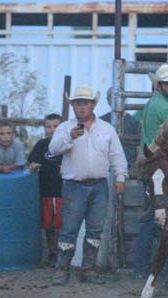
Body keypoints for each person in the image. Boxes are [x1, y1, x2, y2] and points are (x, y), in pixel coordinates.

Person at [49, 84, 128, 285]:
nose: (81, 107)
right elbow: (53, 149)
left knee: (94, 229)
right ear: (73, 106)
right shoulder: (65, 127)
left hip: (99, 185)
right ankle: (62, 269)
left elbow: (117, 155)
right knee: (69, 229)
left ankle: (87, 269)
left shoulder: (106, 128)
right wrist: (70, 137)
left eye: (84, 103)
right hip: (74, 185)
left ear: (92, 105)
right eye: (77, 104)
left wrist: (120, 176)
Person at [134, 64, 168, 280]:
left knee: (150, 218)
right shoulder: (166, 109)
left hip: (150, 167)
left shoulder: (151, 104)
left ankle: (140, 269)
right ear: (159, 85)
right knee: (165, 219)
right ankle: (163, 273)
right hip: (160, 170)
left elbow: (136, 118)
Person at [28, 113, 63, 268]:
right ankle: (52, 253)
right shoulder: (41, 144)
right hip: (45, 191)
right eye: (48, 126)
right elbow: (32, 162)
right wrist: (34, 166)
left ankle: (64, 255)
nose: (52, 130)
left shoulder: (66, 144)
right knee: (48, 226)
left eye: (55, 126)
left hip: (63, 192)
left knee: (62, 226)